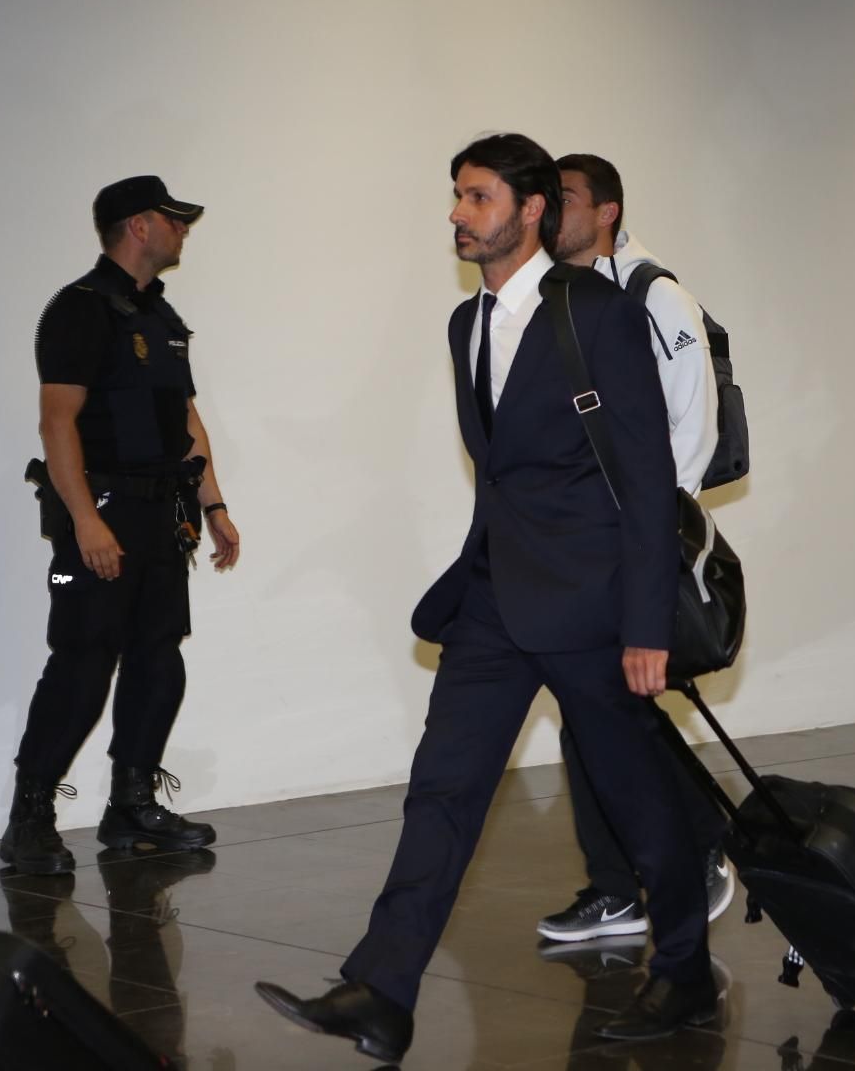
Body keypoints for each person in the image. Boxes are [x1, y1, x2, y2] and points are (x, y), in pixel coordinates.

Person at [255, 134, 716, 1064]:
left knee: (637, 802)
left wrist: (645, 623)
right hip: (496, 603)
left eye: (475, 197)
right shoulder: (467, 325)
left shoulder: (597, 311)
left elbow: (646, 470)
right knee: (443, 789)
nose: (458, 214)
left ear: (530, 208)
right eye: (456, 197)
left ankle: (686, 968)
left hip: (592, 608)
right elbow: (502, 474)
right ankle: (381, 990)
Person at [0, 175, 241, 878]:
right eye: (174, 219)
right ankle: (30, 818)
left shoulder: (159, 318)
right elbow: (57, 422)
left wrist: (215, 507)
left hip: (162, 512)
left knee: (157, 658)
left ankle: (131, 805)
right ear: (139, 225)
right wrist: (83, 523)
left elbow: (187, 421)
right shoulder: (79, 311)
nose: (183, 230)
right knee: (82, 661)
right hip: (99, 510)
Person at [536, 152, 732, 946]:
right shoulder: (564, 297)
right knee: (599, 711)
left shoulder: (655, 294)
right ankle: (627, 880)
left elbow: (696, 418)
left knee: (608, 711)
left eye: (567, 199)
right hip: (590, 543)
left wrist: (650, 530)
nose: (552, 212)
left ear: (607, 211)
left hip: (636, 540)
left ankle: (695, 850)